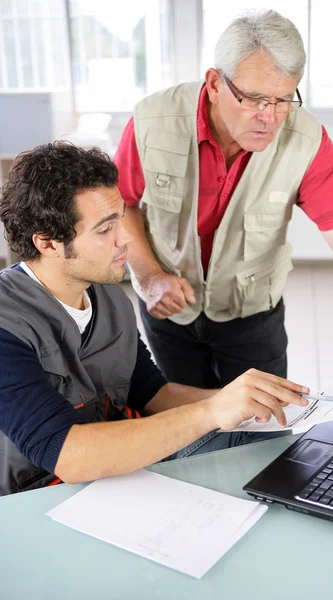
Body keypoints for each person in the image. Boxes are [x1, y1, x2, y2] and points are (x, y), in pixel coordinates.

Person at [114, 9, 333, 416]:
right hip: (168, 310)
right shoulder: (152, 122)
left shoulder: (306, 141)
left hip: (252, 315)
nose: (269, 117)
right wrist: (147, 274)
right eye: (254, 99)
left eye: (283, 99)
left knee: (264, 429)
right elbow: (122, 203)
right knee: (183, 429)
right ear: (215, 84)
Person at [0, 141, 311, 496]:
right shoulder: (6, 325)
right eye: (105, 230)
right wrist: (211, 411)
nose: (126, 238)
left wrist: (241, 397)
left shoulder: (107, 295)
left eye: (120, 219)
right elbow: (68, 455)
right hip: (39, 497)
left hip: (119, 476)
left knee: (271, 453)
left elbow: (153, 393)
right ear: (48, 243)